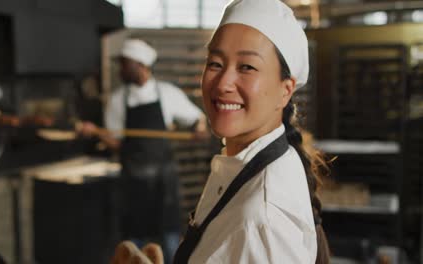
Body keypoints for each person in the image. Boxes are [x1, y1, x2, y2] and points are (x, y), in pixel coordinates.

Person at [173, 0, 331, 263]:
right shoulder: (248, 163)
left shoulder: (262, 221)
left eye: (247, 67)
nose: (223, 83)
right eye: (215, 63)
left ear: (286, 90)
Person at [79, 39, 207, 263]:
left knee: (169, 241)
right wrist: (98, 133)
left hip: (163, 181)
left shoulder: (167, 93)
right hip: (133, 182)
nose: (121, 69)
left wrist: (199, 128)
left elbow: (197, 117)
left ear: (140, 65)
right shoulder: (118, 100)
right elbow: (116, 141)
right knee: (133, 244)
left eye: (125, 64)